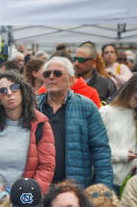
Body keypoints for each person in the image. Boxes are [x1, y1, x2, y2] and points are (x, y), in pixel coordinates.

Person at [0, 71, 55, 193]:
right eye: (3, 91)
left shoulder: (41, 125)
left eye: (14, 87)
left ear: (23, 91)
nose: (9, 93)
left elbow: (46, 168)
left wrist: (28, 194)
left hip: (27, 199)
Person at [36, 56, 112, 189]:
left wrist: (103, 188)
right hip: (39, 187)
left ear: (70, 80)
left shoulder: (86, 107)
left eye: (57, 73)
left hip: (75, 188)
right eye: (47, 74)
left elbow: (101, 151)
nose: (51, 77)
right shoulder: (33, 106)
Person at [99, 73, 137, 189]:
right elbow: (96, 150)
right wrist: (122, 155)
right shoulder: (106, 112)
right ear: (128, 92)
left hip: (133, 183)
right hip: (108, 179)